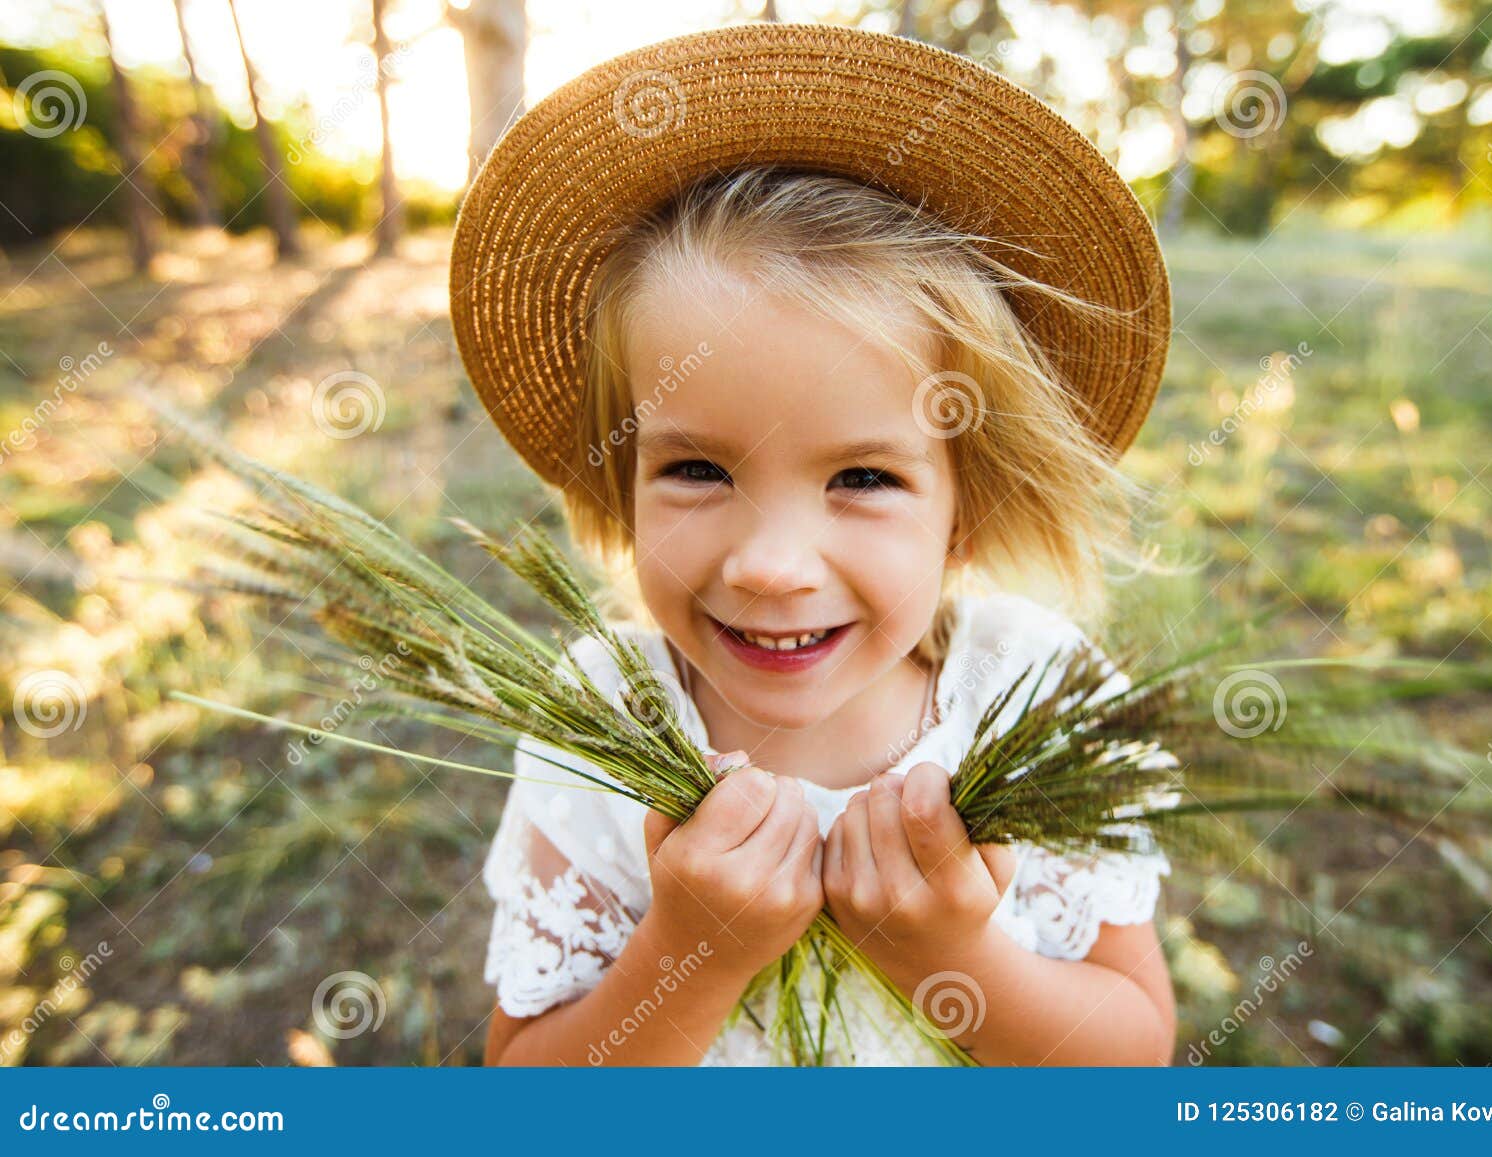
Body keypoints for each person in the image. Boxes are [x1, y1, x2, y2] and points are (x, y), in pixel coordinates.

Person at [451, 23, 1177, 1066]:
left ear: (962, 510)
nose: (770, 565)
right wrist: (692, 952)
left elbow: (1129, 1060)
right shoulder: (603, 719)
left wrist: (947, 955)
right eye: (698, 469)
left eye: (863, 478)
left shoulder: (1031, 692)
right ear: (624, 476)